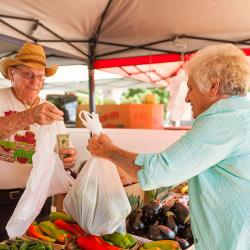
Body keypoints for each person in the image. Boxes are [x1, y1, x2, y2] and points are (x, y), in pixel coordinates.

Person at [87, 44, 250, 250]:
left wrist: (107, 150)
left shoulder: (224, 120)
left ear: (213, 87)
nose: (187, 97)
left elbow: (160, 170)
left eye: (190, 88)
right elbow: (192, 162)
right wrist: (131, 172)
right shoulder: (241, 114)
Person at [0, 42, 77, 241]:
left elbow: (64, 145)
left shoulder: (50, 108)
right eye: (28, 75)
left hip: (38, 199)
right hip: (2, 201)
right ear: (11, 73)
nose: (36, 82)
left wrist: (68, 156)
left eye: (41, 76)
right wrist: (30, 116)